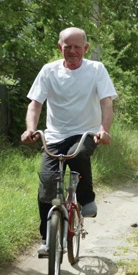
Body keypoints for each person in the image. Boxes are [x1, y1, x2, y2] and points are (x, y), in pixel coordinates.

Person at [21, 27, 117, 257]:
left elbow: (106, 102)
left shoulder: (96, 70)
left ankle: (86, 200)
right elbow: (35, 104)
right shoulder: (49, 71)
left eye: (77, 47)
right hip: (54, 136)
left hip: (85, 133)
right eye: (67, 47)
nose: (72, 51)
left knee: (80, 155)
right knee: (47, 185)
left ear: (85, 48)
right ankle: (47, 239)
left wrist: (104, 130)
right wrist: (31, 129)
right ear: (60, 48)